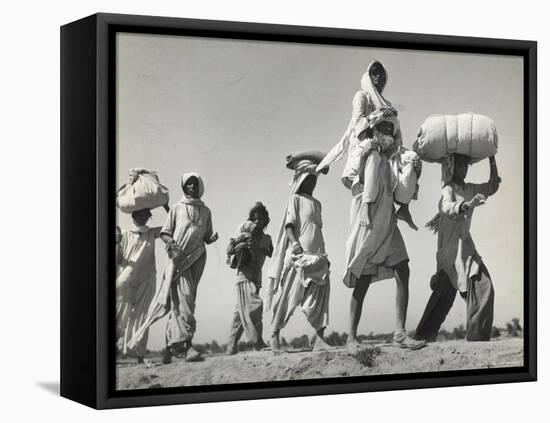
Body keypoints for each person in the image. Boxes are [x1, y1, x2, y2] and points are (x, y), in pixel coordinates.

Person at [317, 62, 425, 354]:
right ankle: (351, 337)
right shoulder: (369, 151)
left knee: (403, 267)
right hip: (368, 218)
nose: (379, 77)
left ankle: (400, 332)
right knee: (363, 277)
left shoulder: (392, 159)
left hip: (387, 219)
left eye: (383, 73)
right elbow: (351, 172)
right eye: (374, 72)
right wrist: (365, 204)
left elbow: (402, 193)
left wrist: (413, 169)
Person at [126, 173, 218, 364]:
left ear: (200, 186)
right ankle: (185, 346)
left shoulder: (206, 211)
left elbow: (206, 236)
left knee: (184, 300)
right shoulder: (176, 208)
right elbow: (166, 233)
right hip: (178, 259)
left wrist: (212, 239)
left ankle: (170, 347)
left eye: (194, 184)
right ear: (184, 187)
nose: (191, 187)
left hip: (198, 258)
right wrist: (173, 245)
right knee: (185, 300)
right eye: (188, 184)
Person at [415, 154, 500, 342]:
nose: (465, 168)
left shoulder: (470, 188)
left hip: (466, 250)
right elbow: (447, 207)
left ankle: (478, 339)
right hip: (449, 253)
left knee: (484, 287)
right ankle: (422, 339)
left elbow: (492, 186)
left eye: (466, 165)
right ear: (452, 167)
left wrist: (492, 160)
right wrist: (469, 204)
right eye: (460, 165)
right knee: (442, 299)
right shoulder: (448, 189)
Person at [267, 155, 332, 353]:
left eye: (314, 179)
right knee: (287, 297)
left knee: (320, 298)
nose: (312, 182)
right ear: (301, 180)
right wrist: (295, 244)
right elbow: (289, 226)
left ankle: (320, 340)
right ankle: (274, 335)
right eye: (308, 179)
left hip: (318, 255)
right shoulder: (294, 199)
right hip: (299, 256)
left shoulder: (317, 203)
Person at [226, 202, 273, 354]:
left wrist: (259, 248)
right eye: (255, 219)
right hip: (244, 275)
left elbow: (274, 253)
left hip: (256, 277)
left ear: (266, 220)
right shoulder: (244, 234)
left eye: (261, 219)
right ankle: (257, 342)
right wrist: (243, 245)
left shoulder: (267, 239)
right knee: (255, 306)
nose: (258, 222)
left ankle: (231, 346)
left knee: (240, 314)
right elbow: (230, 249)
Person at [115, 208, 162, 365]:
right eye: (140, 214)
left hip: (147, 278)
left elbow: (172, 225)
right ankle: (113, 348)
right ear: (133, 215)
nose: (143, 217)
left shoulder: (151, 233)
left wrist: (167, 206)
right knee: (120, 315)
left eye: (146, 214)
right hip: (126, 278)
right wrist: (116, 242)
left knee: (142, 316)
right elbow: (118, 259)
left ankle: (139, 354)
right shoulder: (125, 234)